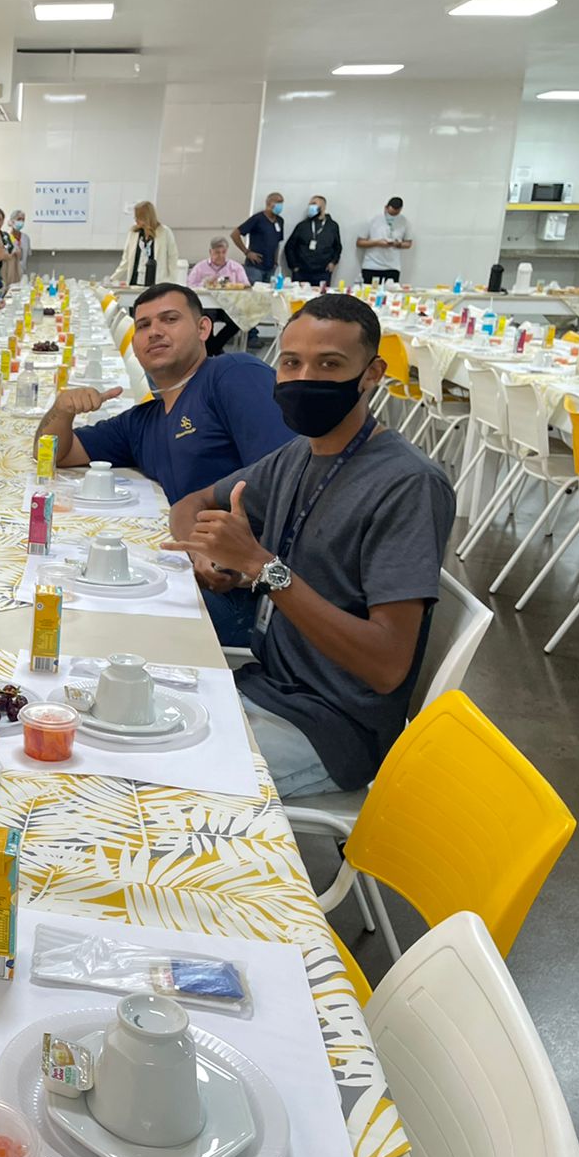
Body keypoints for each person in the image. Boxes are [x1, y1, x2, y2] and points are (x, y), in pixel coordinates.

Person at [165, 294, 454, 798]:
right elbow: (193, 503)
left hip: (331, 728)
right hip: (264, 684)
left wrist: (262, 567)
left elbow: (387, 667)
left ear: (371, 374)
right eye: (292, 363)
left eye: (330, 364)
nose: (304, 378)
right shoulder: (298, 455)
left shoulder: (408, 485)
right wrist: (207, 555)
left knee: (147, 780)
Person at [36, 282, 294, 644]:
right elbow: (53, 453)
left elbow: (289, 476)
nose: (154, 331)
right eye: (143, 325)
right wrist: (62, 410)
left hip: (248, 597)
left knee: (84, 619)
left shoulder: (232, 374)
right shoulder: (143, 422)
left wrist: (234, 558)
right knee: (58, 582)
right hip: (189, 572)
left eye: (170, 319)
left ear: (203, 328)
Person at [188, 237, 251, 355]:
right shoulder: (200, 267)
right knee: (205, 319)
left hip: (228, 306)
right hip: (208, 307)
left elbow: (246, 286)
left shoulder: (236, 267)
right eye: (217, 252)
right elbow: (190, 286)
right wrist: (205, 283)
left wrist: (232, 285)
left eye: (223, 252)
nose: (221, 255)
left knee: (239, 319)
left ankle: (212, 348)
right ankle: (217, 351)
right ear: (210, 252)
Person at [108, 201, 180, 288]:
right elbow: (126, 259)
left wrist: (172, 283)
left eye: (138, 217)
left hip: (156, 283)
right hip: (135, 282)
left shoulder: (164, 232)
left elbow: (172, 259)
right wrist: (113, 278)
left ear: (146, 217)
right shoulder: (133, 233)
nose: (135, 219)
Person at [284, 195, 342, 286]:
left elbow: (337, 247)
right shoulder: (302, 225)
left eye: (314, 204)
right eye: (310, 204)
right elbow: (289, 246)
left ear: (323, 207)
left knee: (321, 295)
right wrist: (294, 266)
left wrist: (333, 262)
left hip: (323, 272)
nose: (310, 206)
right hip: (302, 272)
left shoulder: (332, 226)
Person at [357, 197, 414, 284]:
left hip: (392, 267)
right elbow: (360, 242)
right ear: (386, 207)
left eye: (396, 214)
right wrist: (377, 243)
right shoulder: (373, 219)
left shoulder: (404, 222)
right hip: (371, 265)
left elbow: (408, 244)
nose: (392, 216)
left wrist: (397, 244)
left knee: (391, 292)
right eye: (391, 213)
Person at [232, 192, 285, 284]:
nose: (280, 205)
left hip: (270, 267)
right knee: (255, 290)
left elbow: (277, 242)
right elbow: (235, 234)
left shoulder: (280, 221)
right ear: (269, 203)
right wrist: (247, 252)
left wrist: (276, 261)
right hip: (255, 266)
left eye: (281, 202)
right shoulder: (257, 219)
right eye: (277, 202)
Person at [7, 209, 32, 279]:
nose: (21, 222)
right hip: (8, 274)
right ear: (12, 221)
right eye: (19, 219)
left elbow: (27, 256)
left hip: (22, 273)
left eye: (23, 220)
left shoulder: (26, 238)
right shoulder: (6, 237)